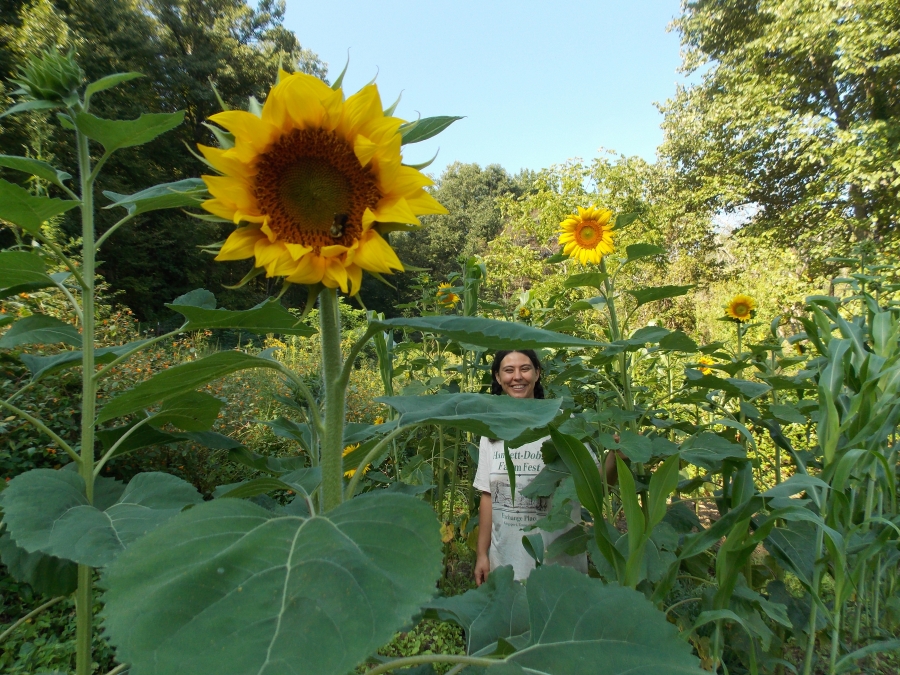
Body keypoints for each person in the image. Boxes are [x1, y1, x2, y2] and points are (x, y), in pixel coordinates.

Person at [472, 349, 617, 585]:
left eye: (525, 368)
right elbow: (488, 497)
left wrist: (616, 457)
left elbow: (596, 486)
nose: (517, 376)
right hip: (506, 564)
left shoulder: (562, 424)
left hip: (558, 566)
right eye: (508, 370)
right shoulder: (492, 432)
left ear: (537, 373)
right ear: (498, 378)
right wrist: (482, 554)